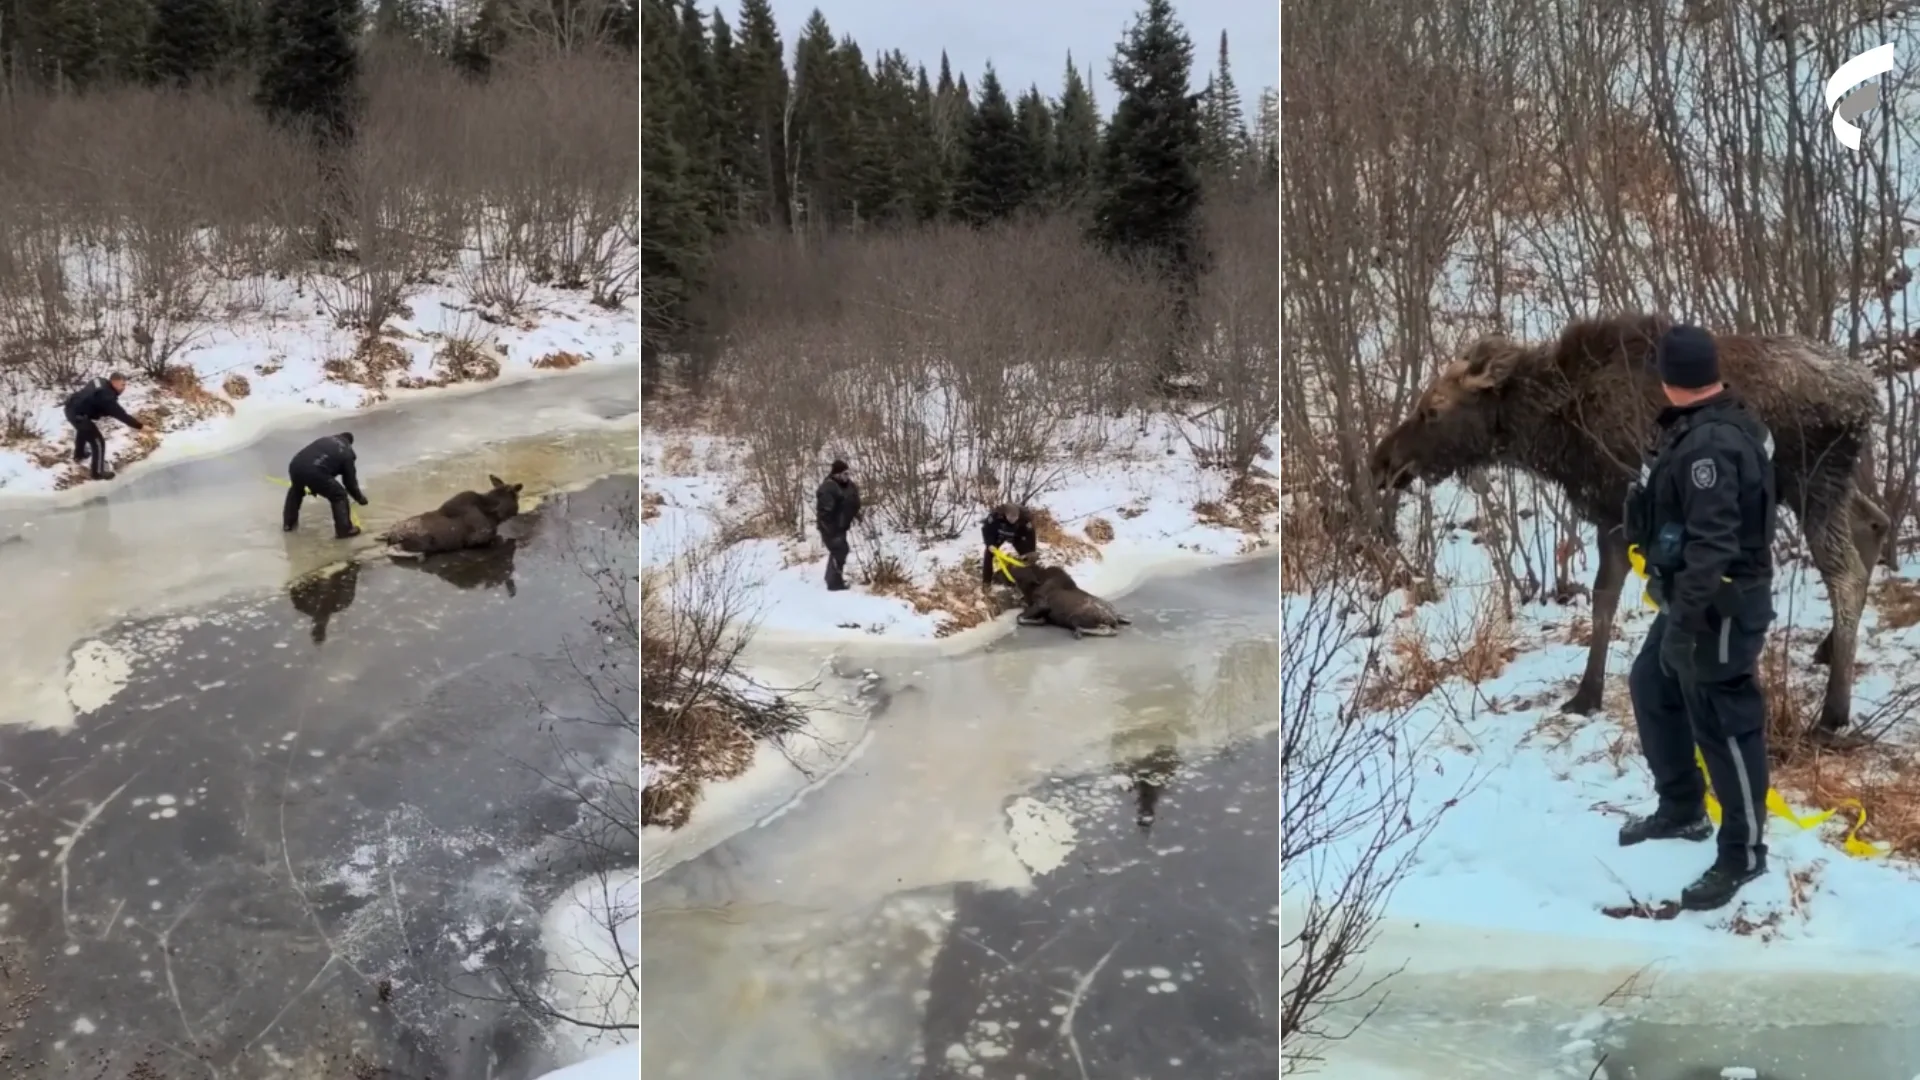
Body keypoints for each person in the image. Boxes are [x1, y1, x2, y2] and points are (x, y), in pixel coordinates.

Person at [1619, 323, 1779, 912]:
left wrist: (1685, 622)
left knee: (1725, 721)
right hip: (1694, 597)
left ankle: (1744, 852)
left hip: (1719, 605)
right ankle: (1683, 809)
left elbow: (1714, 541)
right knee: (1652, 683)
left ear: (1669, 377)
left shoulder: (1711, 444)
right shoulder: (1713, 425)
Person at [284, 432, 370, 539]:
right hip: (315, 470)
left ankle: (288, 525)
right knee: (339, 495)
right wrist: (360, 499)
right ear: (350, 443)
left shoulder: (326, 439)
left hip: (295, 465)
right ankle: (344, 530)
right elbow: (350, 483)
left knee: (296, 490)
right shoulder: (347, 452)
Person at [63, 372, 144, 481]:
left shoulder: (99, 380)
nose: (124, 388)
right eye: (122, 385)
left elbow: (91, 394)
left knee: (83, 431)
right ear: (113, 382)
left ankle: (80, 454)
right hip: (78, 415)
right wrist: (140, 426)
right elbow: (121, 415)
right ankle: (97, 472)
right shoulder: (107, 397)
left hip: (71, 408)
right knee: (98, 442)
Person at [814, 459, 861, 591]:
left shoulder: (847, 485)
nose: (848, 476)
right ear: (837, 474)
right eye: (845, 474)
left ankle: (832, 578)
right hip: (831, 527)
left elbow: (852, 501)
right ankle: (834, 583)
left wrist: (855, 514)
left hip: (841, 525)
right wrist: (830, 531)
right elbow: (825, 513)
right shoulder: (828, 488)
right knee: (840, 550)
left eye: (848, 473)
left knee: (840, 550)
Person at [980, 503, 1038, 585]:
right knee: (988, 555)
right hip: (998, 535)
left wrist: (1032, 551)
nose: (1013, 520)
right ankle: (986, 583)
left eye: (1015, 518)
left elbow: (1031, 535)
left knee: (1027, 556)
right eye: (1011, 518)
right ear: (1005, 515)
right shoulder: (995, 516)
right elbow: (986, 529)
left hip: (1017, 536)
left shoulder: (1025, 519)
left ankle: (1031, 580)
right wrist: (989, 544)